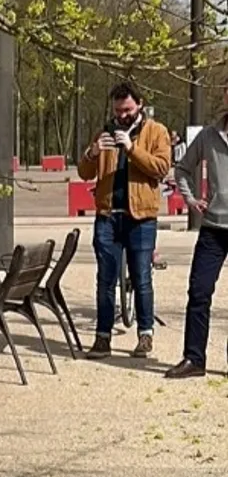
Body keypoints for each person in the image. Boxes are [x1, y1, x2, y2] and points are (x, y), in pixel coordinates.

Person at [77, 82, 170, 360]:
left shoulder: (156, 131)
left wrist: (131, 148)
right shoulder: (104, 131)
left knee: (141, 277)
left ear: (139, 104)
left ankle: (145, 334)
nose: (123, 115)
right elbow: (84, 173)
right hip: (107, 216)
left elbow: (162, 168)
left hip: (141, 218)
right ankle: (103, 337)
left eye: (127, 109)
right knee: (105, 279)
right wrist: (92, 153)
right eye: (118, 110)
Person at [166, 87, 228, 379]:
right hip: (214, 227)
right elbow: (182, 169)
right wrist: (190, 199)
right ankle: (194, 359)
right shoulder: (208, 135)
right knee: (199, 291)